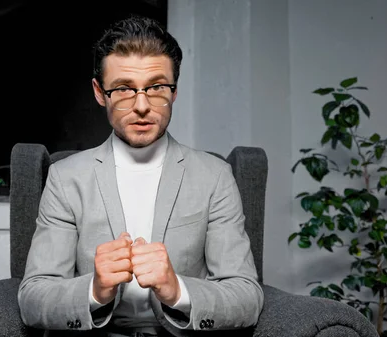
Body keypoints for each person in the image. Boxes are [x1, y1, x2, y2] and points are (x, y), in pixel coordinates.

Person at [17, 15, 264, 337]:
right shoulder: (66, 179)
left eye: (157, 86)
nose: (143, 106)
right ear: (99, 92)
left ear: (174, 91)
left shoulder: (214, 176)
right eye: (123, 89)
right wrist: (95, 290)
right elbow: (33, 298)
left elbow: (247, 296)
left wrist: (177, 291)